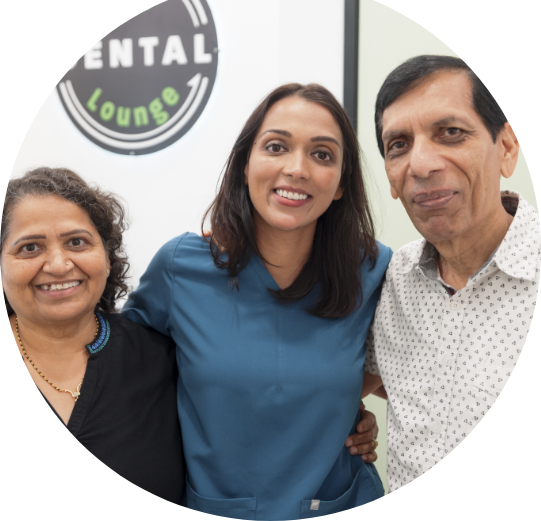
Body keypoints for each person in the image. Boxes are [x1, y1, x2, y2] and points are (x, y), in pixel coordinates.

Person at [122, 83, 393, 519]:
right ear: (245, 164)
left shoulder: (373, 269)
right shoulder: (180, 268)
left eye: (322, 154)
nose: (297, 168)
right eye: (276, 146)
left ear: (341, 184)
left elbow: (405, 371)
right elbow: (125, 375)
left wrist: (344, 410)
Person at [345, 55, 539, 491]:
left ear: (507, 148)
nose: (422, 164)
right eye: (398, 145)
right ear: (392, 182)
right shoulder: (394, 278)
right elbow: (360, 378)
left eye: (450, 133)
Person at [1, 167, 185, 504]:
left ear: (107, 256)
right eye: (29, 248)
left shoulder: (162, 359)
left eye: (76, 242)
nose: (58, 265)